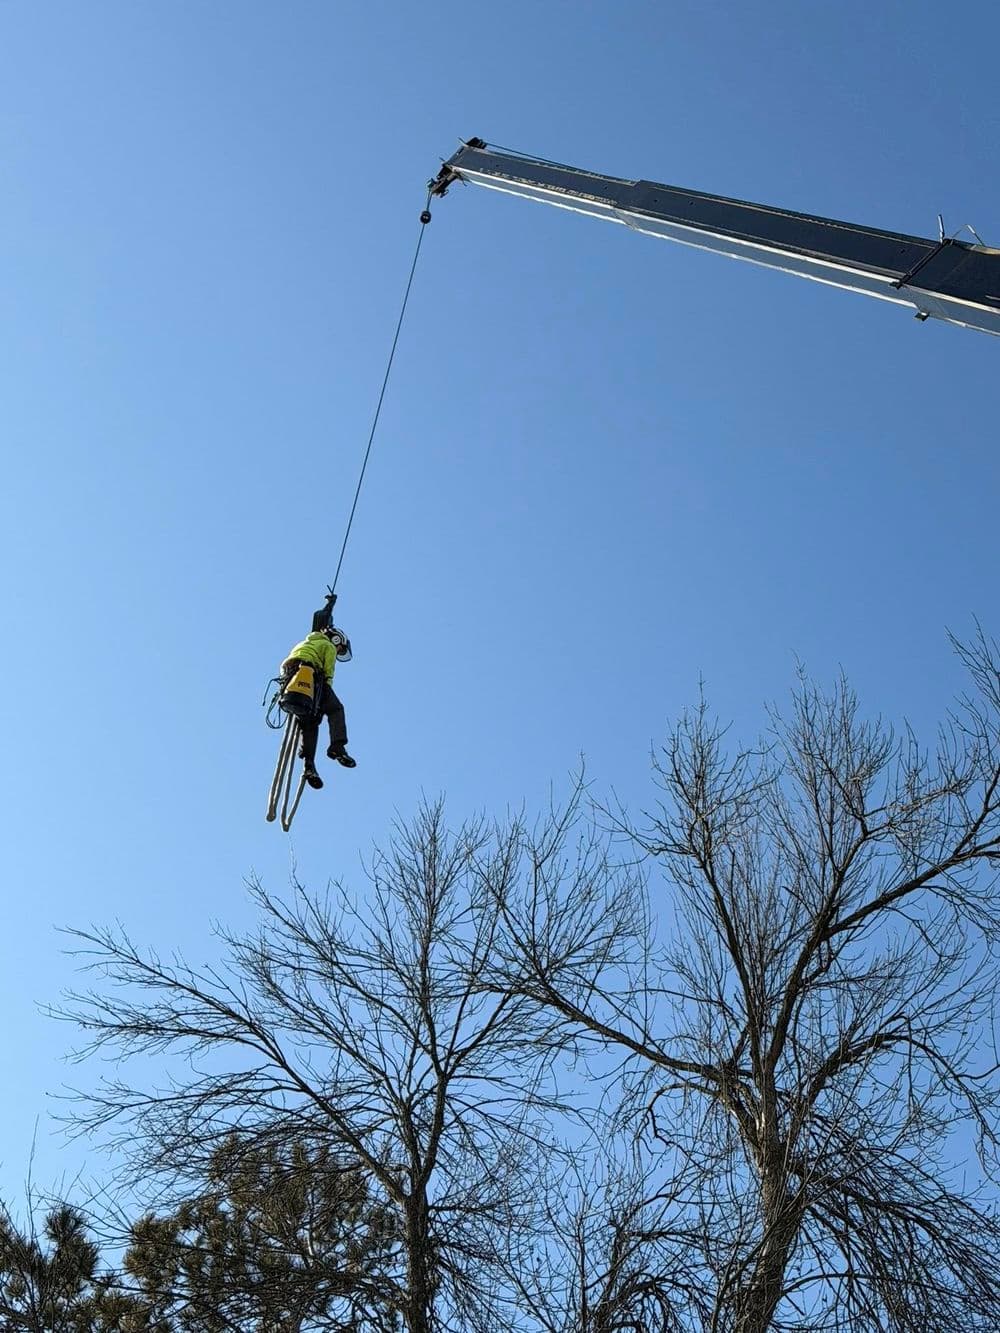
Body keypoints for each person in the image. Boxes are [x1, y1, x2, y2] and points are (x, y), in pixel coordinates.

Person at [280, 625, 356, 789]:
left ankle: (309, 765)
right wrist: (324, 697)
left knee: (310, 723)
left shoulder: (302, 644)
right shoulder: (328, 646)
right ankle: (338, 746)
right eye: (340, 648)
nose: (338, 651)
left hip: (292, 684)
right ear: (336, 639)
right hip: (312, 676)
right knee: (336, 709)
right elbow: (328, 672)